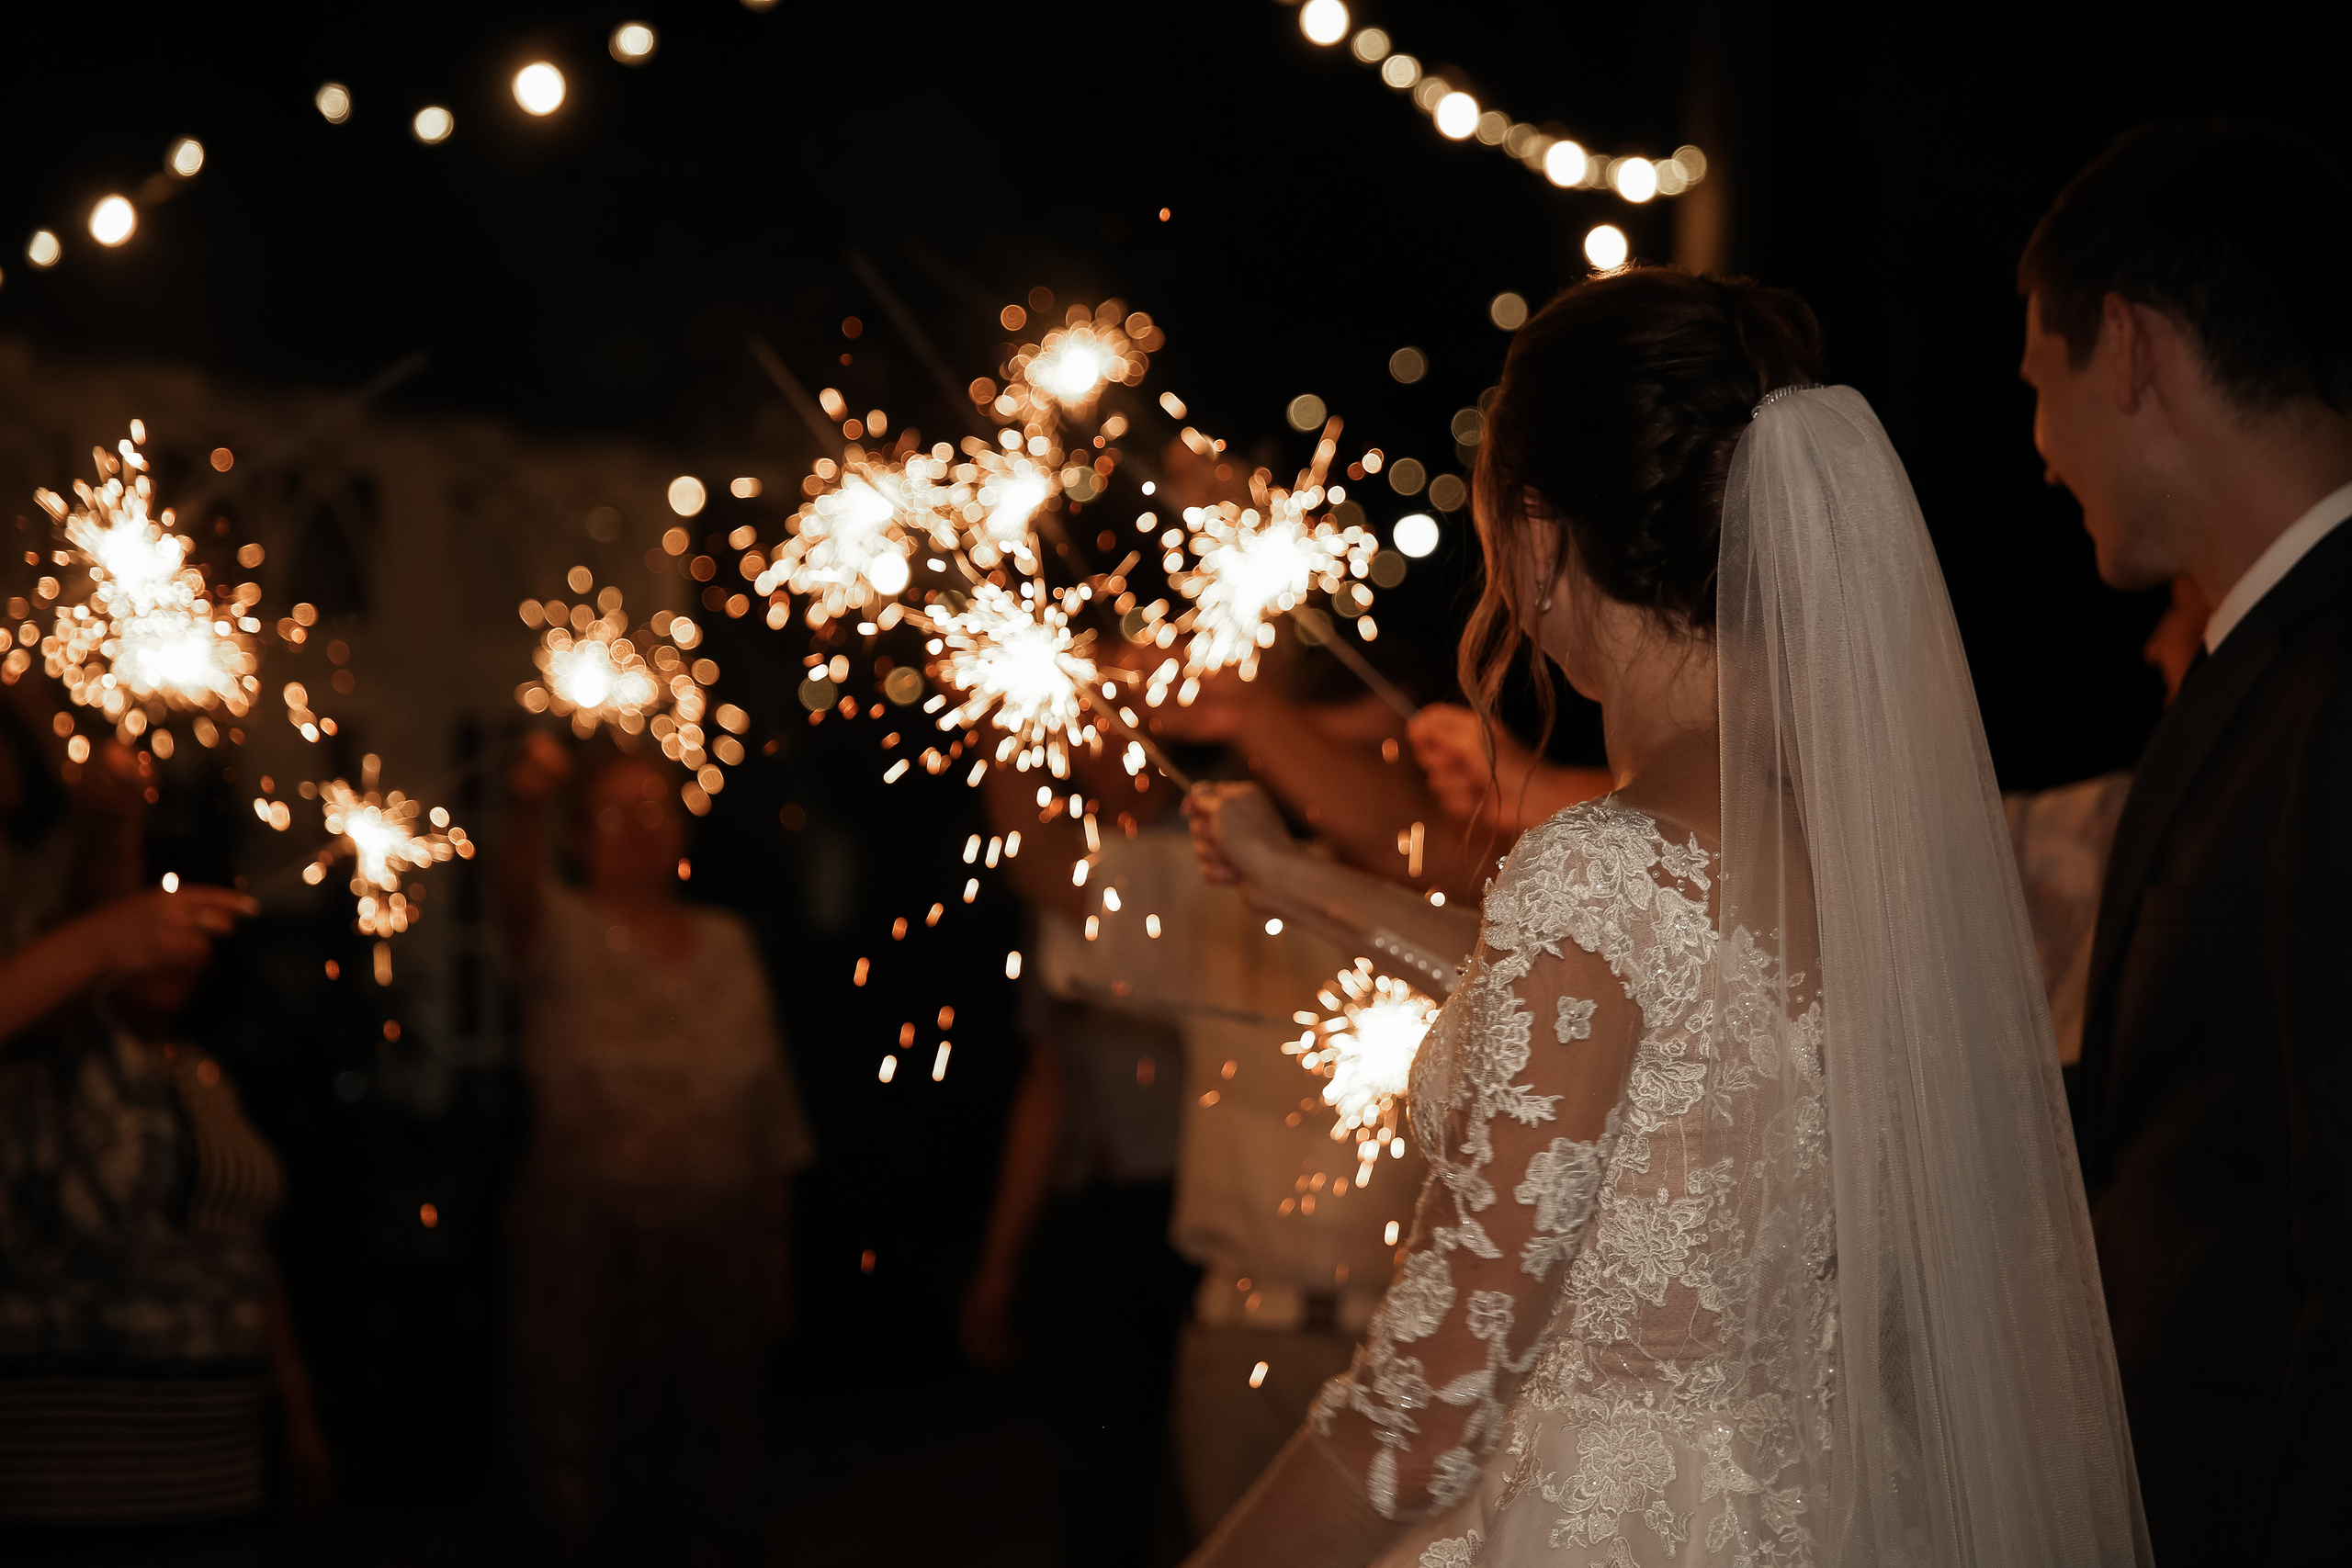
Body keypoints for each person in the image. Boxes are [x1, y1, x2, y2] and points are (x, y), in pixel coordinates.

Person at [1183, 268, 2147, 1565]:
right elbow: (1627, 1014)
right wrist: (1297, 878)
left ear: (1534, 536)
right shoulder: (1850, 848)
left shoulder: (1597, 873)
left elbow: (1420, 1417)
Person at [2018, 119, 2352, 1560]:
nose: (2038, 453)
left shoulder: (2334, 685)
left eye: (2040, 386)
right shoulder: (2258, 660)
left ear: (2133, 348)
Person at [498, 732, 816, 1565]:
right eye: (612, 812)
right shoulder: (560, 933)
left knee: (713, 1475)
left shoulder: (729, 944)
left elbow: (769, 1119)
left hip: (717, 1253)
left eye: (654, 808)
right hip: (587, 1253)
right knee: (589, 1474)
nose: (638, 828)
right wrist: (525, 801)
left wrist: (774, 1258)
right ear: (577, 836)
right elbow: (511, 896)